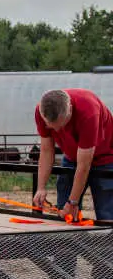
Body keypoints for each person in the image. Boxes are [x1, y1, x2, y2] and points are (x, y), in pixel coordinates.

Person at [33, 88, 113, 223]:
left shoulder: (88, 111)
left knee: (107, 215)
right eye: (52, 127)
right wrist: (40, 187)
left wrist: (73, 202)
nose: (58, 130)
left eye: (62, 124)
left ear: (70, 108)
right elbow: (46, 150)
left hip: (105, 158)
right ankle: (69, 243)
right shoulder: (41, 111)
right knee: (65, 214)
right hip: (72, 157)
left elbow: (84, 165)